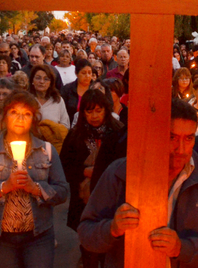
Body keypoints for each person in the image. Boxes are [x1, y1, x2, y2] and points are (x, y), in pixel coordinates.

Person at [78, 99, 198, 268]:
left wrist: (182, 248)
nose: (181, 149)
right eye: (172, 137)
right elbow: (86, 233)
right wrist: (112, 228)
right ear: (157, 133)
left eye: (189, 138)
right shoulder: (120, 173)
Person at [0, 90, 69, 268]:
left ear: (33, 119)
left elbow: (62, 192)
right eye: (14, 112)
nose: (20, 118)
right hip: (2, 238)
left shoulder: (47, 150)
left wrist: (36, 188)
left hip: (39, 236)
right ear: (5, 116)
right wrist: (4, 187)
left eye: (27, 114)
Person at [60, 89, 124, 268]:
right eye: (89, 111)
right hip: (83, 199)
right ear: (83, 113)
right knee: (88, 245)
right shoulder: (75, 136)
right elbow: (64, 166)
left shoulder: (118, 133)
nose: (94, 116)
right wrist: (84, 171)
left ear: (105, 110)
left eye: (98, 110)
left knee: (110, 241)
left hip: (112, 198)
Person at [29, 64, 70, 129]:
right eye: (38, 78)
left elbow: (65, 126)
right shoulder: (26, 99)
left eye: (46, 79)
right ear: (32, 81)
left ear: (51, 83)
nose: (41, 82)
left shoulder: (58, 101)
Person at [60, 59, 93, 124]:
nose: (87, 76)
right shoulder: (67, 89)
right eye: (83, 73)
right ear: (76, 73)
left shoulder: (96, 88)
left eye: (89, 73)